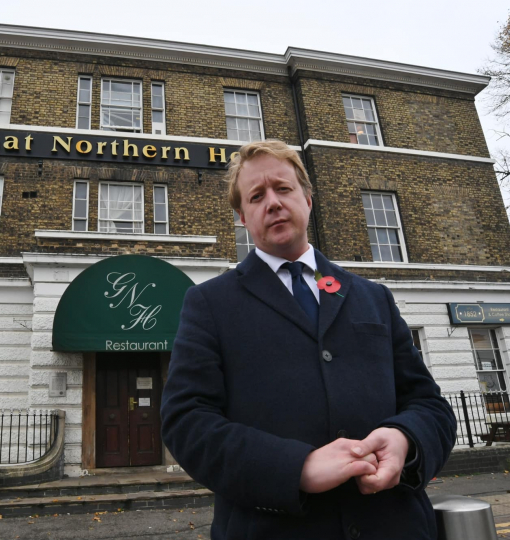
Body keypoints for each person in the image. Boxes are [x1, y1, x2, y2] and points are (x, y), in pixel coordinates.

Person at [160, 140, 456, 539]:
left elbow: (428, 404)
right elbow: (187, 422)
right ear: (242, 217)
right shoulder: (208, 303)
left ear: (308, 199)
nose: (273, 202)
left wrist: (405, 439)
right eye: (256, 196)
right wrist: (295, 468)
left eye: (283, 188)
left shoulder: (372, 296)